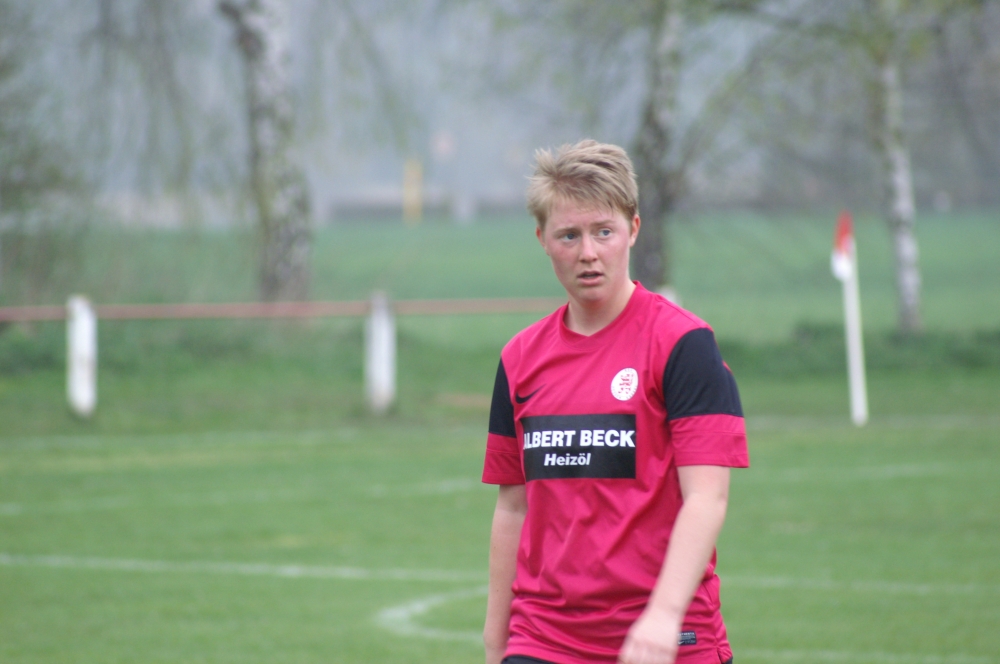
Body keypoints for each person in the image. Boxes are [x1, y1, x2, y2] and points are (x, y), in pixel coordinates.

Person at [481, 140, 749, 664]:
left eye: (604, 231)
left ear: (633, 229)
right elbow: (512, 507)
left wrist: (664, 616)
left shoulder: (683, 344)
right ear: (542, 240)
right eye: (569, 235)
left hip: (669, 640)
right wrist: (496, 643)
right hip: (544, 640)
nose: (588, 252)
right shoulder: (519, 359)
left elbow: (707, 498)